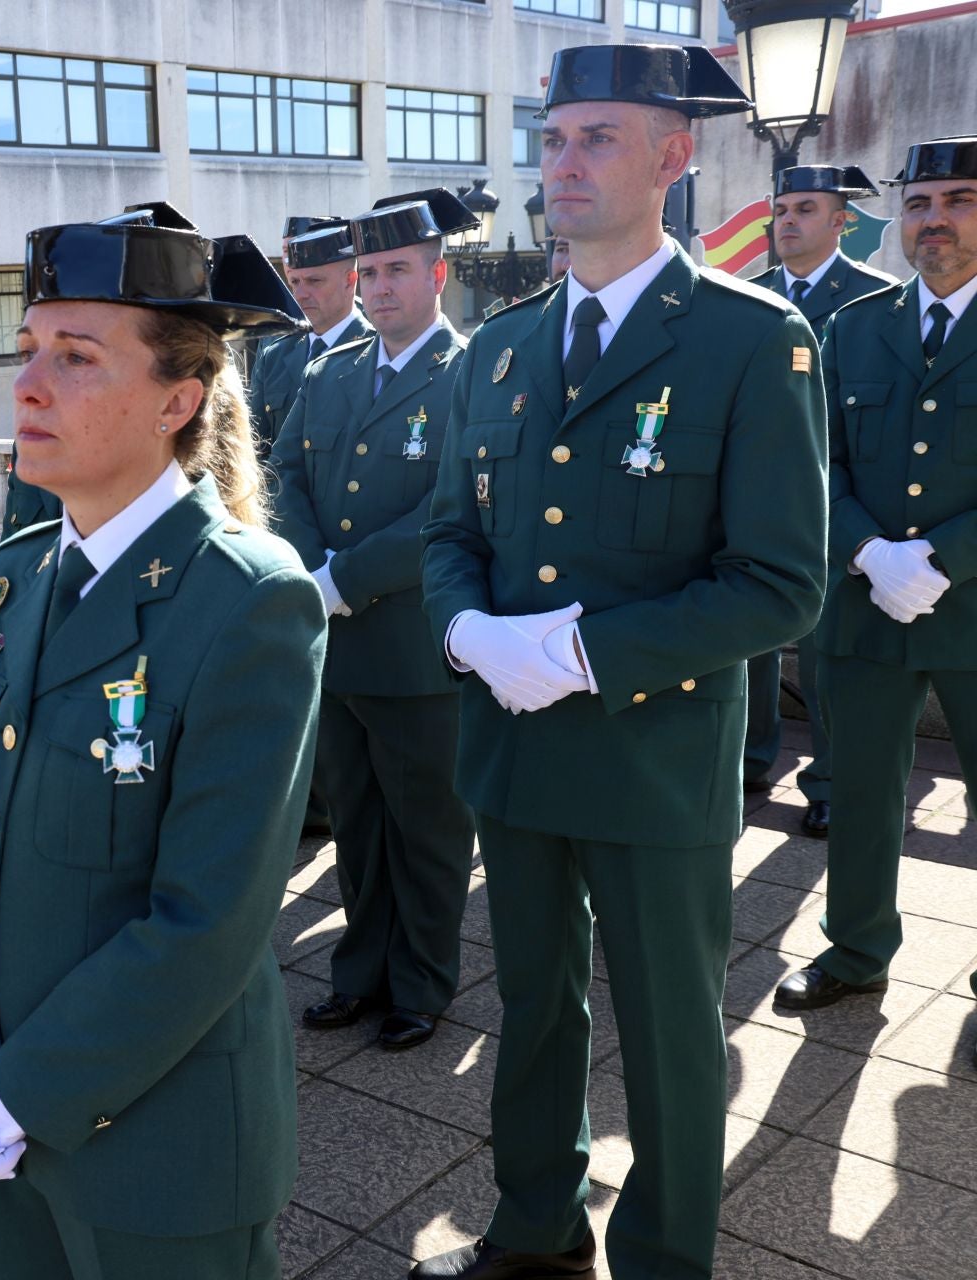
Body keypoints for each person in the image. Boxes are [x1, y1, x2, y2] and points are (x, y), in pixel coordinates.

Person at [417, 45, 826, 1279]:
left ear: (673, 157)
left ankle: (663, 1254)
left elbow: (779, 583)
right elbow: (451, 534)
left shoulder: (749, 339)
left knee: (668, 1030)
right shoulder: (498, 347)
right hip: (515, 748)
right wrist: (468, 631)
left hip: (654, 756)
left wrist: (581, 651)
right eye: (552, 139)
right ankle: (536, 1224)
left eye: (598, 137)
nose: (564, 161)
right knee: (531, 1008)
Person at [0, 202, 323, 1279]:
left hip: (156, 1151)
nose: (28, 383)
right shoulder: (12, 575)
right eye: (30, 346)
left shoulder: (248, 600)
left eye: (76, 357)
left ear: (179, 400)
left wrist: (9, 1095)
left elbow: (205, 922)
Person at [776, 137, 977, 1014]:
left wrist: (941, 559)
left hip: (972, 607)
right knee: (858, 793)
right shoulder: (855, 326)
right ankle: (856, 951)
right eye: (921, 203)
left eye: (960, 200)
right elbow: (814, 461)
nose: (935, 220)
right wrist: (867, 551)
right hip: (867, 606)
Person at [275, 190, 478, 1053]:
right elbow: (286, 473)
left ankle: (422, 982)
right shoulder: (331, 371)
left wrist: (343, 578)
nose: (381, 287)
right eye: (370, 272)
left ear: (438, 275)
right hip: (339, 647)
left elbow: (451, 508)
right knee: (357, 826)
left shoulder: (471, 373)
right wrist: (313, 568)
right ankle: (359, 973)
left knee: (426, 828)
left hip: (415, 650)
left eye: (399, 270)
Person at [743, 164, 900, 839]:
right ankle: (749, 760)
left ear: (842, 221)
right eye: (781, 210)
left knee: (825, 651)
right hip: (748, 497)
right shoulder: (744, 298)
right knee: (743, 638)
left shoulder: (878, 299)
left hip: (832, 500)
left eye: (806, 209)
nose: (788, 221)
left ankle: (831, 781)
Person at [247, 215, 372, 461]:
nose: (300, 294)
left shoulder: (377, 352)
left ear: (350, 281)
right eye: (295, 282)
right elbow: (255, 448)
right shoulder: (276, 355)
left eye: (314, 281)